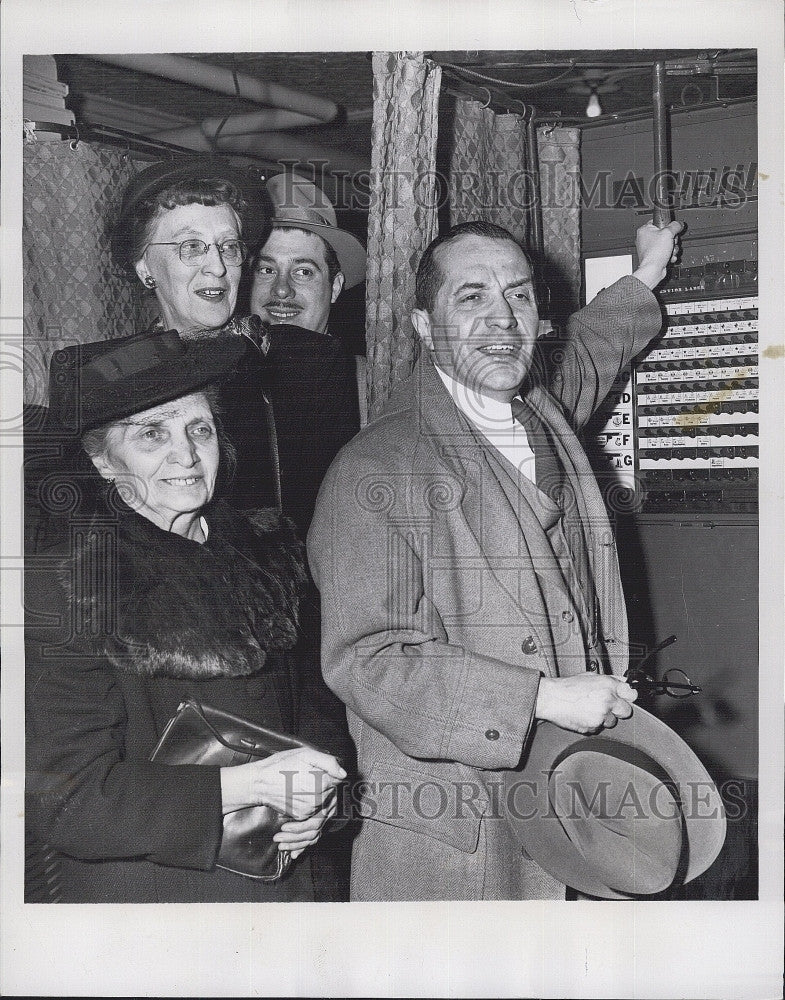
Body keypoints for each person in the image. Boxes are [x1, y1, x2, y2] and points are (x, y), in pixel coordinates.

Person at [307, 217, 684, 901]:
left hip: (568, 809)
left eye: (517, 296)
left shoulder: (537, 414)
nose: (501, 320)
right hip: (462, 839)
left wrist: (645, 274)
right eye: (470, 297)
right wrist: (540, 697)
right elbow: (367, 660)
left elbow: (591, 353)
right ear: (424, 325)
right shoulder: (375, 469)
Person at [25, 329, 347, 903]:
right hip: (157, 908)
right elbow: (67, 800)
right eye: (153, 434)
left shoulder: (268, 549)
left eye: (199, 428)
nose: (187, 454)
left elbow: (322, 706)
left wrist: (321, 797)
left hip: (290, 889)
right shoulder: (72, 583)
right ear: (102, 460)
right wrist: (241, 786)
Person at [111, 157, 278, 512]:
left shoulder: (284, 362)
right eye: (191, 246)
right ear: (144, 267)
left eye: (228, 247)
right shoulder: (123, 382)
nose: (217, 266)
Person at [248, 172, 365, 535]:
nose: (281, 290)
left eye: (303, 271)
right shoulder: (220, 380)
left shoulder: (372, 386)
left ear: (335, 286)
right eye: (267, 269)